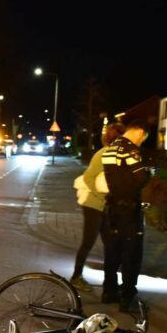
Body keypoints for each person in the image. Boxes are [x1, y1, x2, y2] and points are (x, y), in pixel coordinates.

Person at [101, 119, 153, 311]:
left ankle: (109, 291)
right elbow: (141, 178)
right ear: (139, 132)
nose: (141, 142)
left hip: (112, 208)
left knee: (112, 251)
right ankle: (127, 296)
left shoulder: (110, 148)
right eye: (143, 138)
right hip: (129, 210)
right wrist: (149, 173)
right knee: (132, 253)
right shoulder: (130, 150)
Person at [70, 122, 125, 293]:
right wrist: (102, 194)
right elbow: (88, 177)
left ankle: (110, 282)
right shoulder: (102, 154)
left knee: (110, 244)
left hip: (106, 206)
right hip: (93, 205)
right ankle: (76, 277)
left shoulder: (118, 156)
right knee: (88, 242)